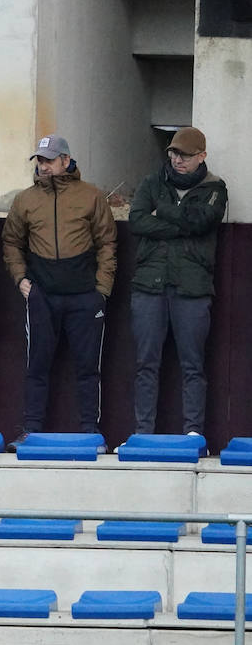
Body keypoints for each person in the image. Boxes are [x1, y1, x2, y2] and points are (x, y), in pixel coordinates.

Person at [1, 134, 117, 446]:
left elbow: (107, 243)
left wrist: (101, 289)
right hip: (43, 296)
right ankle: (31, 430)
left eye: (49, 160)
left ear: (66, 160)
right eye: (39, 160)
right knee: (36, 366)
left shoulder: (91, 196)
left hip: (84, 296)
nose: (43, 166)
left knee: (87, 367)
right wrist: (21, 279)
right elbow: (11, 242)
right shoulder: (25, 199)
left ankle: (90, 433)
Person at [128, 127, 227, 438]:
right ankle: (143, 433)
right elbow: (138, 221)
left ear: (202, 156)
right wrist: (182, 224)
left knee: (193, 365)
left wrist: (166, 212)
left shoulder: (215, 188)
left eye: (184, 155)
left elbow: (202, 222)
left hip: (193, 287)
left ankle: (193, 433)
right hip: (149, 285)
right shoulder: (151, 182)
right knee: (146, 364)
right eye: (173, 153)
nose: (177, 159)